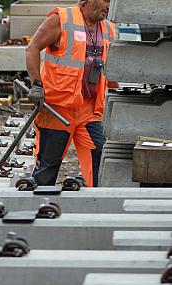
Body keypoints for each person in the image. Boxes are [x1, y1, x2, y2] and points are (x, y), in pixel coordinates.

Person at [25, 0, 116, 187]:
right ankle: (40, 207)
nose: (109, 5)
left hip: (90, 110)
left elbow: (111, 69)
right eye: (106, 0)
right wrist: (36, 84)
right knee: (47, 167)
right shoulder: (62, 19)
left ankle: (96, 207)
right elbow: (32, 48)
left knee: (99, 158)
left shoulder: (109, 28)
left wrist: (119, 95)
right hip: (57, 109)